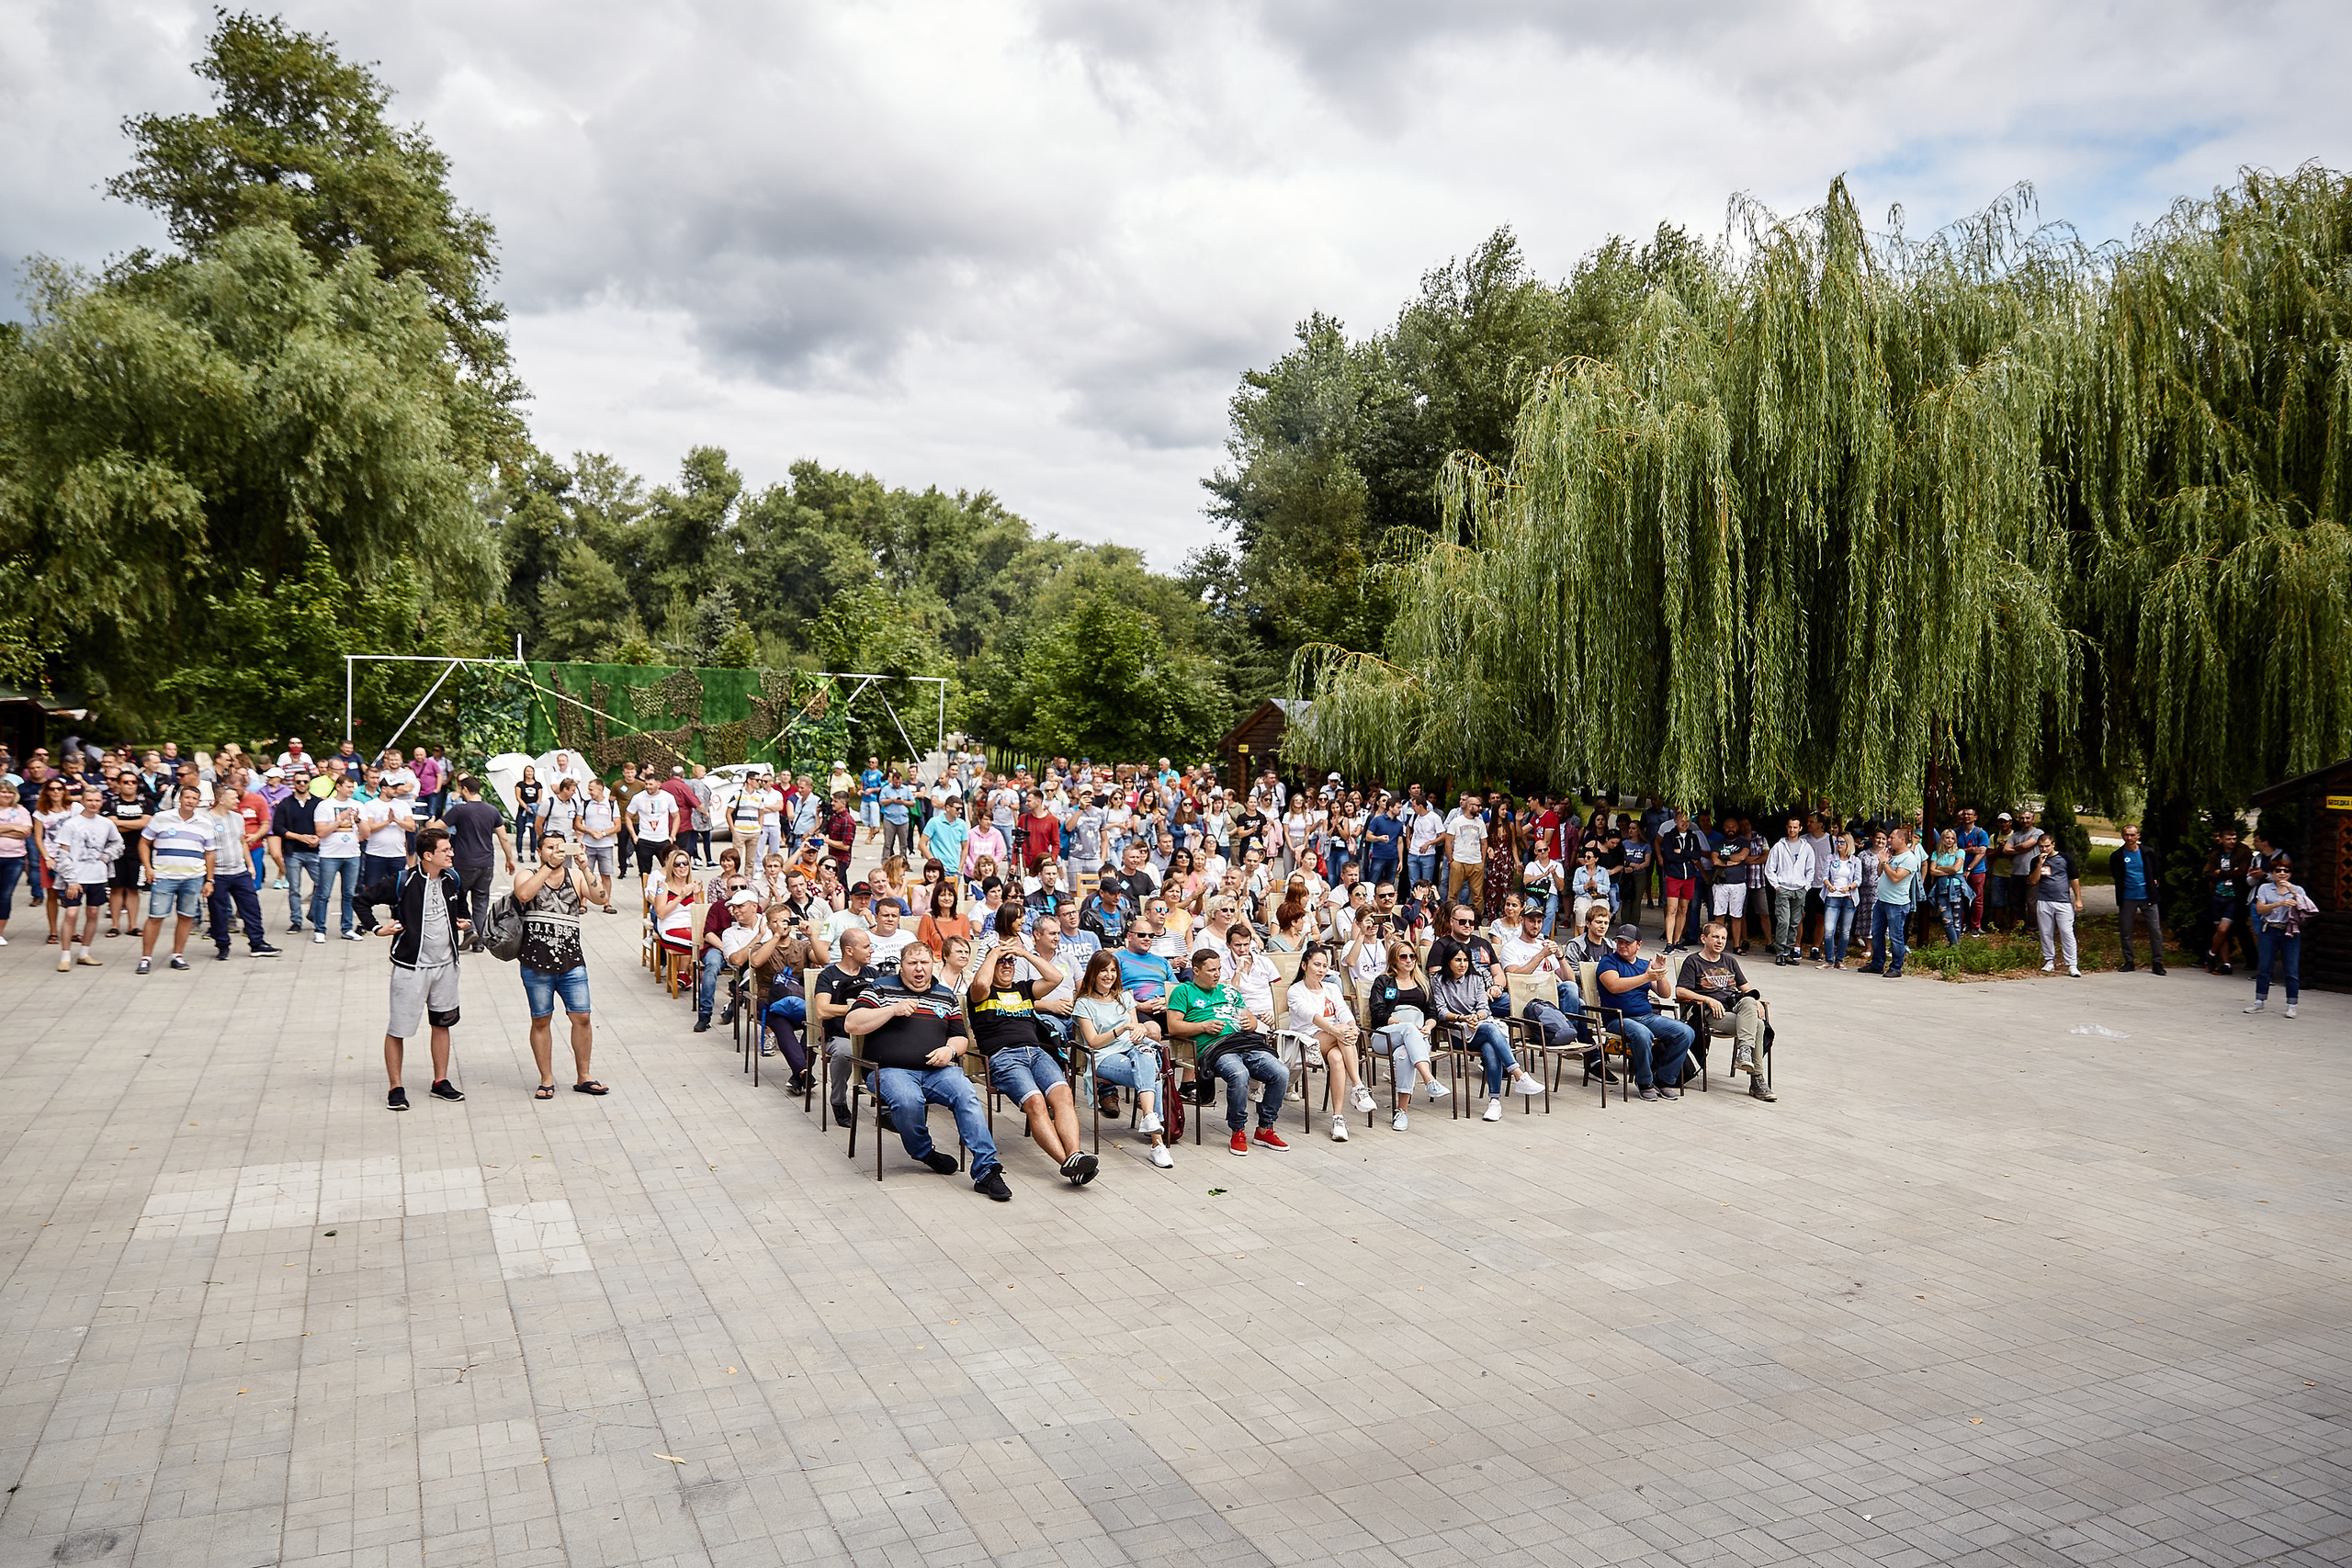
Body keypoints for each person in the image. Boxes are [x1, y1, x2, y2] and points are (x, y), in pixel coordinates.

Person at [842, 942, 1011, 1201]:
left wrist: (950, 1051)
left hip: (938, 1071)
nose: (919, 969)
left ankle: (987, 1171)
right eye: (912, 963)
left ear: (934, 964)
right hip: (890, 1070)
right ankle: (925, 1153)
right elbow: (851, 1024)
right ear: (902, 966)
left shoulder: (946, 994)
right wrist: (892, 1010)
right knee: (908, 1101)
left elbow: (961, 1039)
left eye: (924, 963)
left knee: (966, 1093)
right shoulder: (880, 987)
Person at [967, 938, 1095, 1183]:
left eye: (1010, 962)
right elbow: (981, 980)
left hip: (1036, 1053)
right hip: (1004, 1057)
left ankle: (1075, 1156)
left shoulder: (1023, 989)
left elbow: (1055, 978)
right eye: (1001, 962)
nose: (1007, 966)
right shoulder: (980, 992)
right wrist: (994, 953)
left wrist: (1024, 953)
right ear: (991, 964)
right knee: (1036, 1102)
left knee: (1064, 1096)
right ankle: (1068, 1164)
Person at [1167, 947, 1291, 1156]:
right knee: (1238, 1074)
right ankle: (1238, 1130)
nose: (1217, 974)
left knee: (1280, 1072)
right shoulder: (1184, 991)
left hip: (1244, 1041)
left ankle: (1264, 1128)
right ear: (1196, 971)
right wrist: (1202, 1027)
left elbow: (1251, 1019)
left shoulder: (1229, 991)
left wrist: (1250, 1022)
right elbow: (1173, 1027)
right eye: (1211, 970)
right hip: (1214, 1048)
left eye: (1219, 969)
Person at [513, 828, 608, 1097]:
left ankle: (584, 1075)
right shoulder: (527, 874)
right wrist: (548, 867)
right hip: (535, 962)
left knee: (583, 1017)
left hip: (572, 961)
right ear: (539, 851)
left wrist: (586, 868)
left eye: (560, 847)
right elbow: (523, 895)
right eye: (550, 847)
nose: (556, 852)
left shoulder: (576, 876)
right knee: (541, 1020)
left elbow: (602, 899)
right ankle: (546, 1078)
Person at [380, 827, 469, 1111]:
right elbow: (361, 899)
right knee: (399, 1029)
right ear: (428, 855)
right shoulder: (403, 881)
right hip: (411, 968)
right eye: (446, 850)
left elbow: (462, 908)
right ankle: (396, 1087)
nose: (452, 853)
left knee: (442, 1025)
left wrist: (464, 921)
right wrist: (376, 928)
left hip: (446, 967)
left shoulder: (452, 878)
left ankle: (440, 1081)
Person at [1073, 951, 1173, 1168]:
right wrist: (1122, 1029)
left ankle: (1149, 1119)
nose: (1109, 975)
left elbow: (1136, 1027)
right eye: (1103, 971)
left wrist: (1139, 1031)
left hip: (1131, 1050)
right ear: (1093, 973)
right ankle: (1156, 1142)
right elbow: (1093, 1042)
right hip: (1103, 1057)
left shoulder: (1125, 997)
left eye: (1112, 971)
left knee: (1146, 1054)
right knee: (1152, 1072)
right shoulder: (1083, 1003)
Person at [1674, 919, 1775, 1100]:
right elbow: (1680, 991)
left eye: (1723, 938)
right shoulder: (1693, 961)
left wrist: (1757, 1002)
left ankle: (1744, 1051)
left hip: (1735, 1008)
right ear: (1704, 938)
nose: (1720, 941)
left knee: (1750, 1001)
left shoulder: (1730, 960)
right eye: (1715, 937)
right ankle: (1757, 1080)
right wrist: (1708, 1000)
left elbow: (1746, 989)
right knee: (1759, 1026)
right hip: (1711, 1014)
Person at [1593, 924, 1695, 1101]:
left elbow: (1665, 993)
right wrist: (1647, 977)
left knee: (1686, 1032)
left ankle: (1664, 1079)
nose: (1622, 945)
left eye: (1627, 942)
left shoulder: (1643, 965)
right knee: (1642, 1034)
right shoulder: (1608, 962)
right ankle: (1645, 1082)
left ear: (1638, 945)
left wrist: (1659, 974)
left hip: (1646, 1016)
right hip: (1618, 1018)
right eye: (1619, 942)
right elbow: (1614, 986)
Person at [1285, 944, 1375, 1141]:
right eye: (1317, 965)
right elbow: (1311, 1016)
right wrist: (1337, 1030)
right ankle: (1358, 1086)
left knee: (1336, 1058)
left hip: (1335, 1040)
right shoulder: (1295, 991)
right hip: (1306, 1039)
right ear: (1304, 965)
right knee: (1343, 1034)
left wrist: (1352, 1025)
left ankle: (1338, 1118)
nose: (1321, 970)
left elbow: (1343, 1010)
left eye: (1325, 966)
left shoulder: (1332, 988)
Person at [133, 783, 212, 973]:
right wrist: (148, 868)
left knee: (186, 917)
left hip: (193, 877)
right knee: (155, 917)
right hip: (164, 876)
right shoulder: (161, 818)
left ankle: (178, 955)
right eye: (187, 797)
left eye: (194, 799)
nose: (190, 801)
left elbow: (210, 853)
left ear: (198, 802)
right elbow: (144, 843)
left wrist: (210, 880)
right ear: (179, 799)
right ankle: (146, 958)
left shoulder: (205, 823)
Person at [48, 784, 122, 970]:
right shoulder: (71, 824)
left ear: (101, 802)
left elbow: (118, 843)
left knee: (93, 913)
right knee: (71, 914)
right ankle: (65, 955)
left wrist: (106, 856)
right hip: (76, 877)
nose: (93, 803)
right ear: (82, 801)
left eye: (97, 800)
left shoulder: (106, 823)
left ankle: (84, 953)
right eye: (89, 800)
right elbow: (62, 854)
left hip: (97, 876)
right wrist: (71, 880)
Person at [205, 782, 280, 961]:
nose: (238, 801)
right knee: (218, 911)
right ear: (221, 800)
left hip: (239, 871)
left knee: (252, 907)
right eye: (233, 798)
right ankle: (222, 945)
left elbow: (242, 841)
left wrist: (249, 865)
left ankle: (257, 943)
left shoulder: (237, 818)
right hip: (218, 873)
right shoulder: (206, 820)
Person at [817, 928, 877, 1127]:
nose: (872, 950)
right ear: (849, 950)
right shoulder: (828, 976)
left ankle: (887, 1107)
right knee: (845, 1051)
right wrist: (855, 1008)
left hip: (871, 1034)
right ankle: (839, 1102)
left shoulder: (873, 974)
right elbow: (822, 1010)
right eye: (866, 946)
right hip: (837, 1036)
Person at [2244, 858, 2315, 1018]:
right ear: (2272, 873)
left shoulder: (2297, 889)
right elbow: (2260, 909)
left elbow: (2308, 908)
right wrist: (2279, 903)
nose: (2282, 874)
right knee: (2264, 967)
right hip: (2269, 929)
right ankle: (2259, 1001)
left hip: (2290, 932)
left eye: (2286, 871)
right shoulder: (2265, 888)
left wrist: (2294, 892)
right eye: (2278, 871)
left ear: (2290, 874)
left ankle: (2291, 1005)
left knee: (2291, 968)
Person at [1860, 826, 1922, 978]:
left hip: (1897, 904)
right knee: (1877, 933)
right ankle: (1877, 964)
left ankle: (1896, 967)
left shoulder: (1909, 858)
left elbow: (1895, 878)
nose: (1889, 840)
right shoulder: (1892, 855)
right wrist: (1883, 862)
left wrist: (1885, 863)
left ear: (1902, 840)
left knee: (1896, 936)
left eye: (1892, 838)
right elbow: (1880, 873)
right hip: (1882, 901)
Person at [310, 773, 366, 942]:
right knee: (323, 893)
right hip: (330, 855)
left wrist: (358, 820)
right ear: (339, 786)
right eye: (348, 786)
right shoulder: (325, 806)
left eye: (353, 786)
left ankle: (347, 928)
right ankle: (320, 929)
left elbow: (366, 834)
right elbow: (321, 833)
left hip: (352, 854)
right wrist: (338, 821)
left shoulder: (358, 805)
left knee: (349, 893)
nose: (352, 790)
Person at [2109, 823, 2167, 976]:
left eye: (2132, 835)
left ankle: (2157, 962)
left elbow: (2155, 871)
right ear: (2122, 836)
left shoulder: (2148, 852)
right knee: (2126, 931)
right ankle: (2129, 961)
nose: (2129, 838)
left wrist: (2154, 882)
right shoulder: (2117, 856)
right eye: (2126, 835)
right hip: (2128, 898)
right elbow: (2116, 875)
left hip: (2148, 897)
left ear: (2138, 836)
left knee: (2155, 931)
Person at [102, 767, 153, 939]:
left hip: (137, 851)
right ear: (118, 784)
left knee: (133, 889)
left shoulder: (145, 803)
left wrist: (121, 824)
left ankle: (133, 925)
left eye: (134, 782)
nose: (130, 785)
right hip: (115, 852)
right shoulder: (110, 803)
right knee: (116, 888)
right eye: (126, 782)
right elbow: (110, 824)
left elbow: (147, 823)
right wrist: (136, 824)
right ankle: (115, 925)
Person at [2030, 830, 2083, 976]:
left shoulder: (2065, 858)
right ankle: (2049, 960)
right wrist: (2039, 864)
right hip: (2043, 900)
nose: (2044, 849)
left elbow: (2074, 879)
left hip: (2063, 901)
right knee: (2046, 932)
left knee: (2067, 932)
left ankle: (2072, 964)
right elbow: (2033, 881)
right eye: (2041, 847)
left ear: (2053, 845)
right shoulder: (2036, 860)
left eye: (2047, 846)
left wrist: (2078, 899)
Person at [2201, 827, 2253, 975]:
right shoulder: (2216, 854)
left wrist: (2221, 872)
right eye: (2229, 839)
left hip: (2234, 896)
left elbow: (2241, 874)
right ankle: (2226, 963)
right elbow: (2208, 873)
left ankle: (2210, 954)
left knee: (2224, 929)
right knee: (2220, 932)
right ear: (2222, 839)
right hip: (2217, 895)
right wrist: (2230, 873)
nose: (2232, 841)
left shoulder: (2243, 852)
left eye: (2234, 838)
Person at [1764, 818, 1814, 965]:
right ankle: (1780, 952)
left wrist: (1806, 887)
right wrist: (1777, 886)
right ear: (1787, 828)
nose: (1792, 830)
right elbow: (1769, 868)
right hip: (1784, 888)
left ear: (1800, 828)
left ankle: (1788, 951)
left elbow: (1811, 869)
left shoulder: (1806, 847)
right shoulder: (1779, 846)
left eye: (1795, 827)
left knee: (1795, 922)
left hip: (1799, 889)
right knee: (1783, 921)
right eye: (1790, 827)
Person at [1819, 831, 1863, 968]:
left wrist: (1849, 887)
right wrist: (1829, 885)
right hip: (1833, 896)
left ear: (1848, 844)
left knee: (1845, 931)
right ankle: (1828, 959)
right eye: (1837, 842)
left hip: (1848, 897)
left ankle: (1840, 960)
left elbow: (1859, 880)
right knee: (1829, 929)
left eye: (1842, 842)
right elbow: (1824, 876)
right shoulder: (1831, 858)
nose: (1839, 845)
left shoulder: (1855, 861)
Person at [1926, 828, 1968, 949]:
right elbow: (1932, 871)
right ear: (1942, 839)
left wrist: (1940, 867)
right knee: (1946, 918)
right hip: (1942, 887)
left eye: (1952, 838)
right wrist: (1948, 870)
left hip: (1956, 886)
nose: (1950, 840)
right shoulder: (1936, 854)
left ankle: (1953, 946)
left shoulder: (1960, 852)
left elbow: (1956, 868)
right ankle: (1955, 945)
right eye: (1947, 838)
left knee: (1956, 919)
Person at [629, 773, 677, 877]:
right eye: (646, 784)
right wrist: (634, 835)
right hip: (645, 839)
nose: (647, 787)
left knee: (670, 871)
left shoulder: (668, 797)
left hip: (663, 839)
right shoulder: (638, 798)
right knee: (644, 873)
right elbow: (627, 816)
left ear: (658, 784)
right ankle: (646, 893)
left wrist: (672, 835)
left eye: (650, 784)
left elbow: (676, 816)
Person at [0, 779, 28, 946]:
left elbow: (25, 832)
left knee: (5, 895)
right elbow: (19, 829)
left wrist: (4, 831)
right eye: (3, 791)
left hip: (15, 858)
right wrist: (14, 827)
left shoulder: (21, 811)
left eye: (9, 792)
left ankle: (0, 932)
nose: (7, 795)